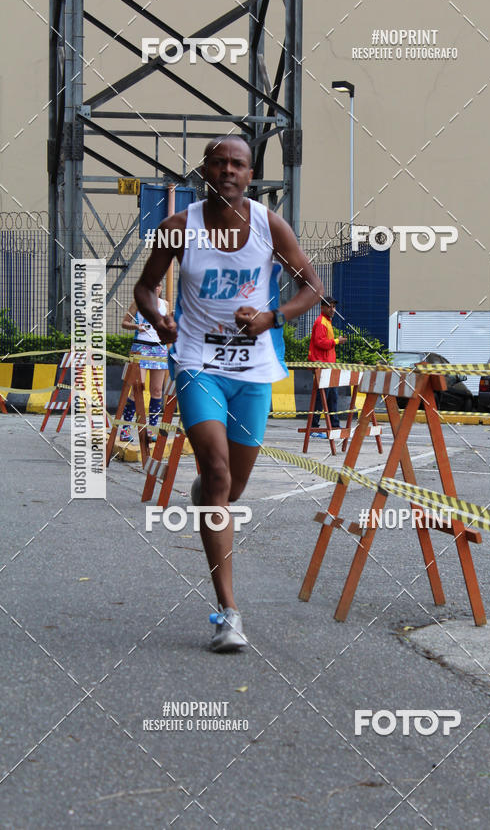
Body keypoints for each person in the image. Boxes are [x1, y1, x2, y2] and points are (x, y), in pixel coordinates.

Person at [133, 136, 323, 652]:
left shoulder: (267, 225)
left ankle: (208, 497)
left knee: (232, 489)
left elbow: (312, 284)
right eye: (218, 163)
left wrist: (273, 317)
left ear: (250, 173)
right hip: (198, 364)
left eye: (238, 164)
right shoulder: (179, 228)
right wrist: (158, 317)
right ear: (205, 170)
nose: (228, 171)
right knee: (215, 473)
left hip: (254, 371)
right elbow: (145, 287)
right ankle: (228, 613)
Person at [120, 283, 168, 443]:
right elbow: (124, 323)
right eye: (153, 284)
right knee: (137, 389)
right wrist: (136, 326)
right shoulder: (138, 303)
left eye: (159, 285)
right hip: (140, 348)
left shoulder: (165, 304)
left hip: (159, 349)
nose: (156, 288)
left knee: (156, 390)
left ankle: (151, 430)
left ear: (161, 288)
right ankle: (125, 429)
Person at [308, 296, 347, 435]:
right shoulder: (321, 322)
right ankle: (313, 427)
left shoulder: (326, 322)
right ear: (322, 308)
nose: (333, 310)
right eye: (330, 307)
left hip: (328, 366)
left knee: (331, 397)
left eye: (334, 307)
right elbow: (320, 342)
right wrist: (337, 341)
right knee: (321, 397)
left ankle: (334, 425)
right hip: (322, 366)